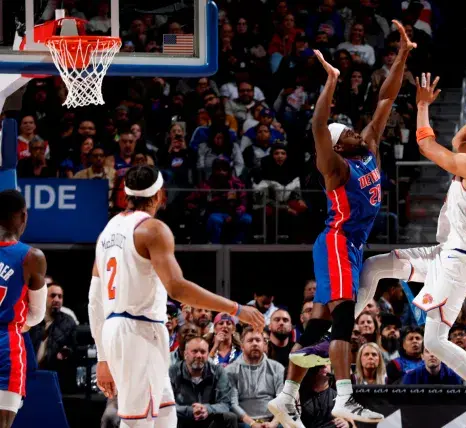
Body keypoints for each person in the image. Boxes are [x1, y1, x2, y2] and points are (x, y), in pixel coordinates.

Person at [267, 22, 415, 427]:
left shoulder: (368, 147)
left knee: (316, 327)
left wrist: (402, 55)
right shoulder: (335, 168)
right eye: (345, 131)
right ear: (337, 146)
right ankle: (345, 398)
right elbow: (318, 127)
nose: (353, 130)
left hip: (350, 246)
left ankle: (286, 396)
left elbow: (386, 98)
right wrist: (331, 82)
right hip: (336, 242)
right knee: (343, 319)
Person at [352, 72, 466, 424]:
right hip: (448, 254)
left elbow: (428, 145)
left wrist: (423, 106)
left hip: (459, 264)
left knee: (435, 342)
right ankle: (336, 334)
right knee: (374, 266)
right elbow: (461, 139)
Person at [88, 165, 265, 428]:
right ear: (159, 194)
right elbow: (178, 289)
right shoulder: (152, 229)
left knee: (165, 417)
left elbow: (94, 300)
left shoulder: (107, 232)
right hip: (138, 331)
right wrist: (236, 308)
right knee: (137, 422)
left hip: (121, 330)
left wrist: (103, 357)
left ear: (126, 195)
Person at [0, 190, 48, 428]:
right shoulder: (32, 257)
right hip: (7, 346)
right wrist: (19, 323)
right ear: (23, 216)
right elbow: (37, 314)